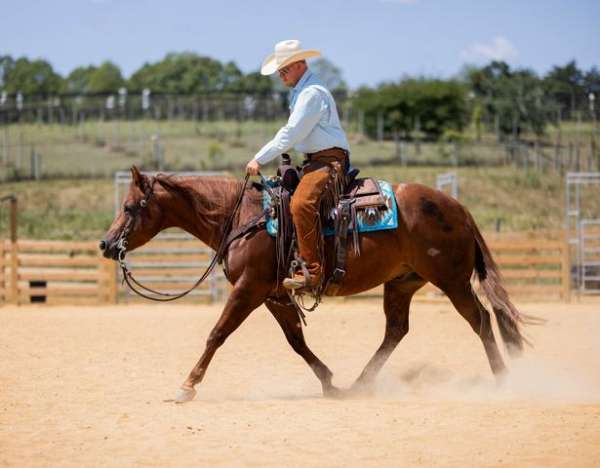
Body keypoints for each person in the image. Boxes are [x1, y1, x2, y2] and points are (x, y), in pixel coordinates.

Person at [246, 39, 350, 290]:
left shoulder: (311, 94)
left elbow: (291, 134)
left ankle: (313, 271)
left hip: (328, 161)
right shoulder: (302, 92)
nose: (281, 76)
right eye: (279, 72)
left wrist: (259, 158)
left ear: (299, 65)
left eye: (284, 70)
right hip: (315, 160)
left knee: (301, 204)